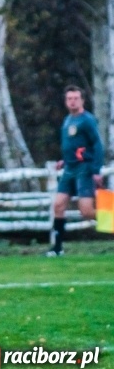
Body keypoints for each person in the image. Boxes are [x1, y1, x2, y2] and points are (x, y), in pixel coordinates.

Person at [46, 85, 105, 257]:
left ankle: (112, 220)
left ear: (82, 100)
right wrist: (65, 160)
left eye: (75, 98)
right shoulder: (67, 120)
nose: (72, 102)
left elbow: (97, 145)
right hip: (70, 169)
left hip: (84, 169)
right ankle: (57, 249)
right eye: (69, 98)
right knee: (58, 205)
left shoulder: (87, 120)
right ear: (66, 101)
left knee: (86, 212)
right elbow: (75, 145)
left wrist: (96, 169)